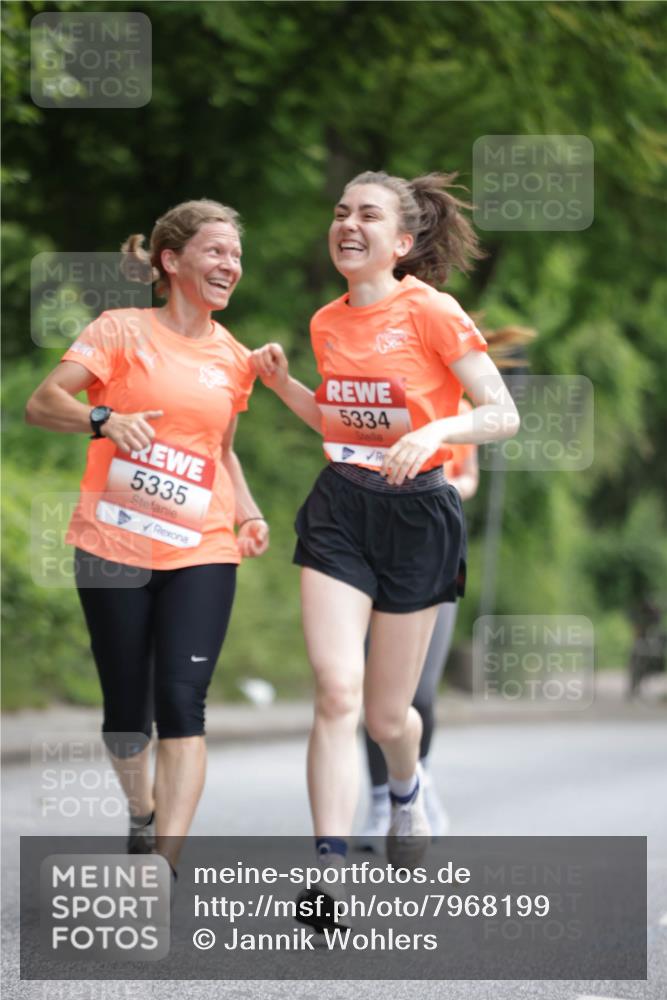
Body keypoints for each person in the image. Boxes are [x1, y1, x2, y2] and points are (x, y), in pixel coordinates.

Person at [252, 170, 520, 926]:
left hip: (419, 518)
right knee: (335, 693)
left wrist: (436, 430)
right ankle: (328, 871)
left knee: (385, 717)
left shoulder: (431, 312)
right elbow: (344, 428)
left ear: (400, 242)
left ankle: (405, 792)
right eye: (339, 210)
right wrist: (282, 386)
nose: (346, 223)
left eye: (366, 214)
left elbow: (499, 416)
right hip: (341, 508)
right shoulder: (325, 323)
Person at [25, 199, 269, 876]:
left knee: (183, 704)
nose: (231, 265)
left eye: (236, 255)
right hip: (113, 546)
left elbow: (221, 449)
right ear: (171, 260)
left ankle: (160, 868)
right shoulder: (119, 331)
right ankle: (141, 810)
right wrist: (102, 418)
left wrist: (246, 514)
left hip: (202, 548)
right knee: (127, 715)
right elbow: (43, 403)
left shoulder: (234, 357)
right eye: (217, 252)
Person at [358, 398, 479, 849]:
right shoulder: (380, 397)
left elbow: (470, 477)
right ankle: (377, 800)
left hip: (434, 549)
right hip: (377, 548)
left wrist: (442, 481)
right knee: (373, 690)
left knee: (421, 692)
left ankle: (414, 787)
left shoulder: (461, 407)